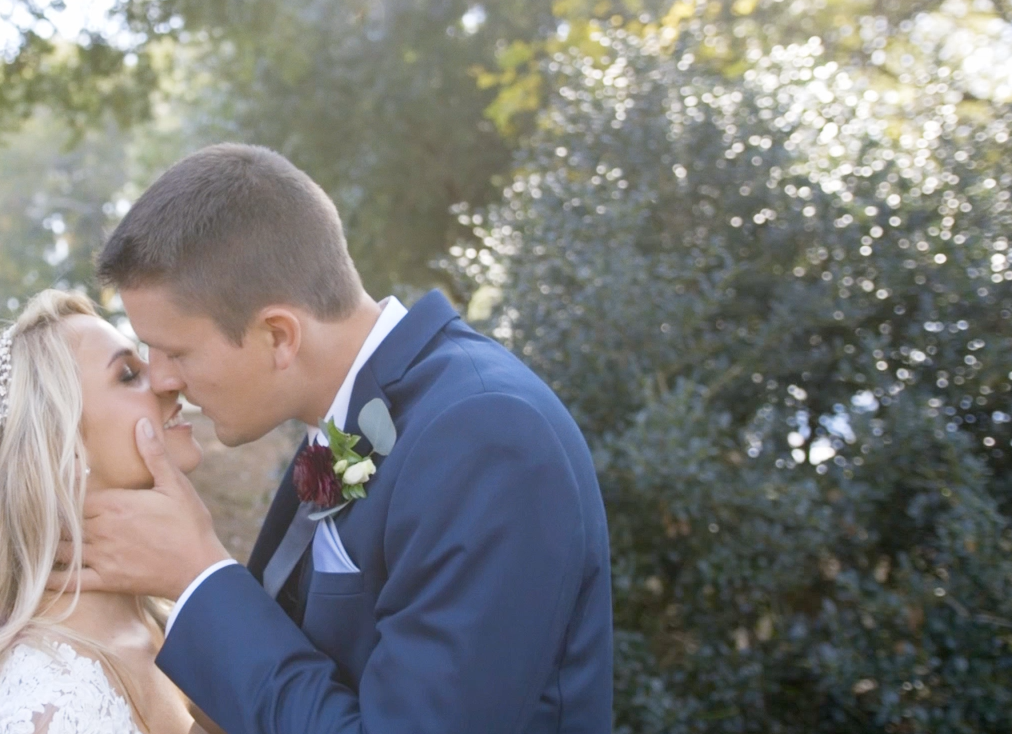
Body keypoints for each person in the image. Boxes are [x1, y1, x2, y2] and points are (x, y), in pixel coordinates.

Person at [57, 143, 614, 733]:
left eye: (175, 350)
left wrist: (199, 576)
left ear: (279, 336)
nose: (162, 378)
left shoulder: (486, 437)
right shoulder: (350, 424)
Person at [0, 290, 211, 734]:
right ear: (64, 451)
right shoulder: (50, 710)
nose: (166, 381)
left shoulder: (171, 623)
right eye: (129, 374)